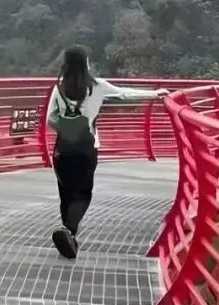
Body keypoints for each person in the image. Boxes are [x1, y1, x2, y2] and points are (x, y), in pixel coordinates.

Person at [45, 46, 169, 259]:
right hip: (86, 149)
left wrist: (67, 128)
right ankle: (68, 230)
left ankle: (68, 233)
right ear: (85, 63)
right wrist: (154, 94)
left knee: (66, 192)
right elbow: (124, 94)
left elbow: (50, 119)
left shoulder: (59, 88)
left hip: (62, 149)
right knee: (83, 193)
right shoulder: (98, 86)